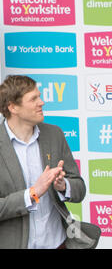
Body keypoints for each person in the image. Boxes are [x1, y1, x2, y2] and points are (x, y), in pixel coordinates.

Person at [0, 75, 86, 249]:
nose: (42, 102)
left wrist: (63, 186)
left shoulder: (54, 135)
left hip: (58, 243)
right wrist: (33, 193)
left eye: (39, 96)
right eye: (34, 99)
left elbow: (79, 188)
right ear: (13, 107)